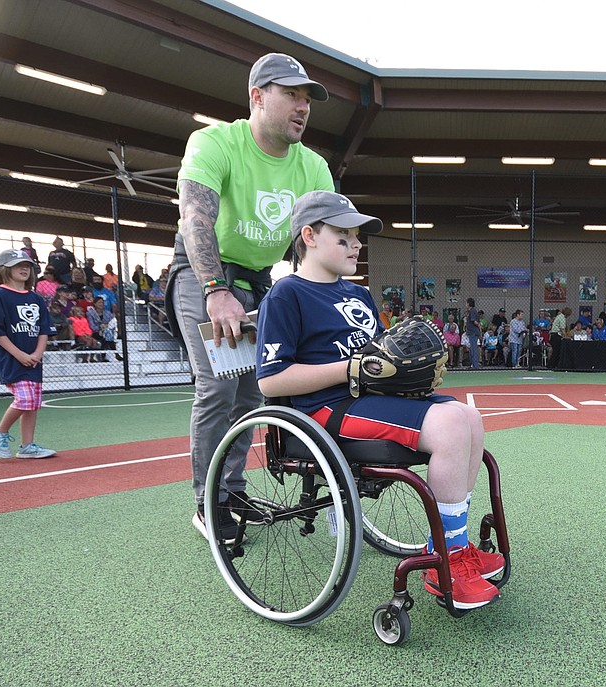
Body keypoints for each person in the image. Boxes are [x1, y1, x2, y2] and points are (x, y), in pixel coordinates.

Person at [255, 191, 503, 609]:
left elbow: (377, 360)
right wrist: (350, 369)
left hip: (367, 400)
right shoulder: (286, 295)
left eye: (357, 237)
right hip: (325, 409)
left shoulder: (359, 294)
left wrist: (403, 374)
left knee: (469, 417)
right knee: (450, 426)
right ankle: (444, 562)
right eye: (344, 236)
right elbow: (272, 381)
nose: (356, 245)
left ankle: (451, 546)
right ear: (310, 236)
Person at [169, 52, 336, 543]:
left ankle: (232, 488)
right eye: (292, 95)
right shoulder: (215, 142)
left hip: (259, 279)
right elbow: (196, 219)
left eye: (308, 100)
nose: (303, 107)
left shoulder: (314, 167)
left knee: (253, 391)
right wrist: (216, 290)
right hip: (205, 271)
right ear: (257, 97)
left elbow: (323, 241)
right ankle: (207, 502)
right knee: (218, 387)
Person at [0, 248, 57, 459]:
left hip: (33, 359)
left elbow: (43, 330)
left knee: (33, 403)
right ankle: (0, 431)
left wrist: (38, 353)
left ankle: (27, 446)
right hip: (11, 358)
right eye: (17, 265)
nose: (24, 269)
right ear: (4, 269)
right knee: (26, 398)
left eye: (27, 265)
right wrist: (19, 354)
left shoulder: (36, 299)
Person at [86, 296, 121, 362]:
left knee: (107, 334)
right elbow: (92, 326)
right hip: (95, 332)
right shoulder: (90, 313)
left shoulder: (108, 313)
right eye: (99, 302)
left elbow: (112, 323)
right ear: (95, 304)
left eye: (102, 302)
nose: (101, 304)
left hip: (106, 331)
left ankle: (104, 357)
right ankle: (115, 354)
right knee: (107, 336)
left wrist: (106, 327)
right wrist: (100, 328)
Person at [465, 297, 481, 370]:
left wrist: (479, 326)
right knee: (472, 348)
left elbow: (473, 320)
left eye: (466, 303)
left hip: (473, 332)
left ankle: (475, 365)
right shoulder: (472, 311)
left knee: (474, 349)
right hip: (472, 332)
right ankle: (473, 364)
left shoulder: (472, 311)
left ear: (469, 303)